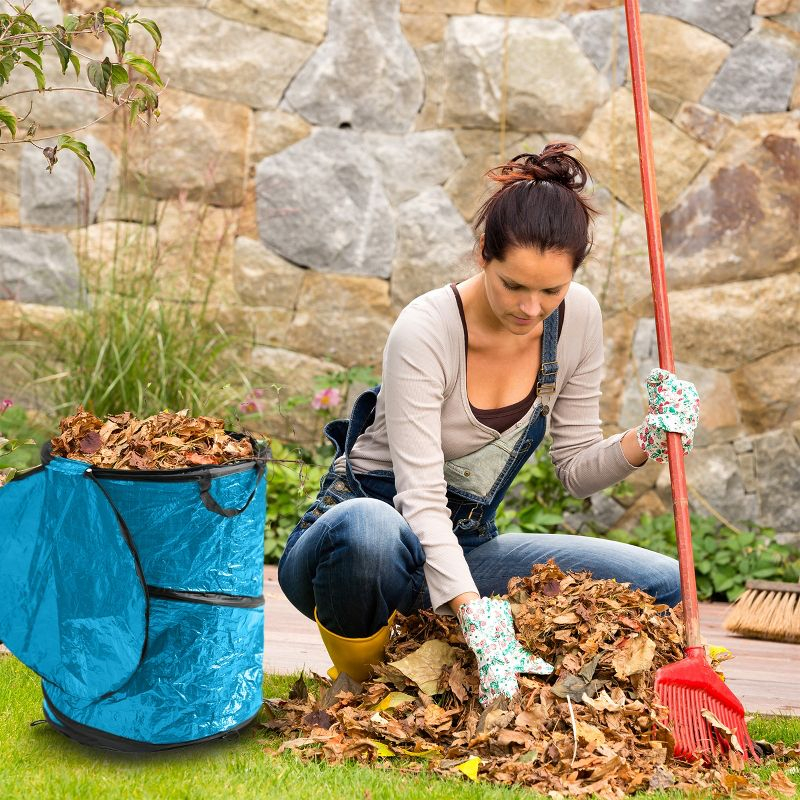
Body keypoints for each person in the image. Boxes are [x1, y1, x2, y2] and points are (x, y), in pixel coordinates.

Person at [277, 142, 699, 707]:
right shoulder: (425, 331)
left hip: (462, 547)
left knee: (666, 583)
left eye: (551, 289)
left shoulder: (578, 320)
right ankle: (364, 688)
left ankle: (509, 682)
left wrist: (648, 439)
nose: (531, 309)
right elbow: (420, 502)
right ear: (483, 255)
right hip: (360, 550)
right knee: (368, 531)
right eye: (514, 286)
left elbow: (575, 469)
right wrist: (479, 617)